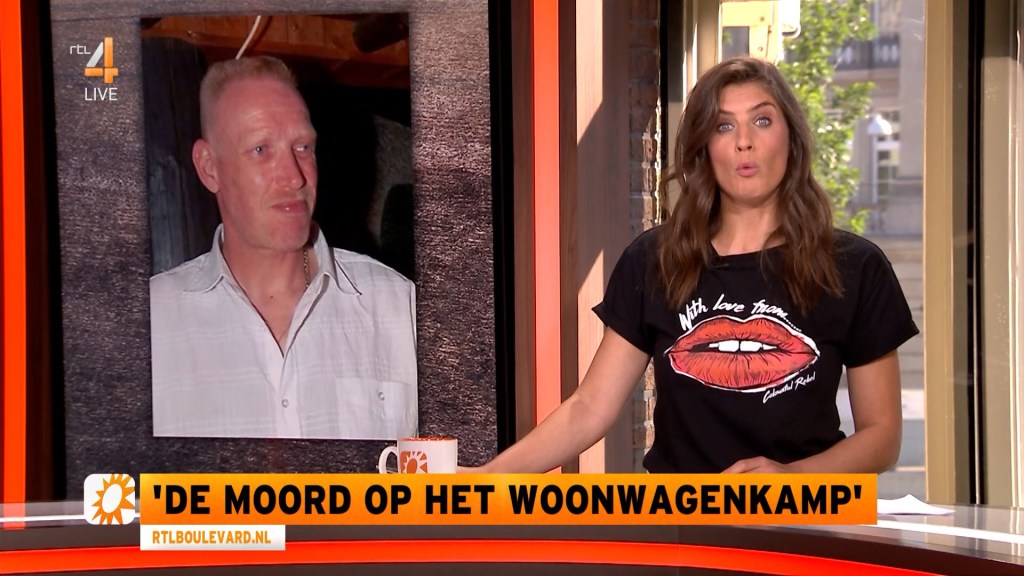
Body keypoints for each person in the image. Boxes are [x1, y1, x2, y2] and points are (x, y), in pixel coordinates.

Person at [471, 57, 918, 474]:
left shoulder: (856, 267)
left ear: (792, 138)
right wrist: (487, 480)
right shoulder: (655, 260)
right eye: (724, 125)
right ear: (705, 147)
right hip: (676, 525)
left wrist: (790, 478)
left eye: (762, 120)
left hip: (802, 522)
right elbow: (589, 409)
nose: (744, 141)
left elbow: (882, 436)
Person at [150, 56, 417, 440]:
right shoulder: (151, 323)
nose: (294, 177)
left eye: (303, 147)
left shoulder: (398, 307)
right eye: (261, 150)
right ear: (209, 167)